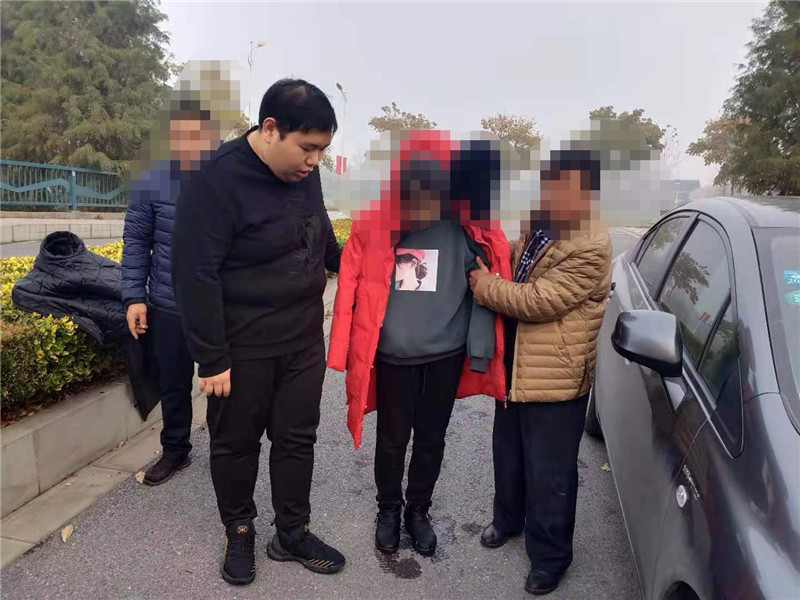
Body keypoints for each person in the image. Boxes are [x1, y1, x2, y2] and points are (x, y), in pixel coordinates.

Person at [172, 79, 345, 586]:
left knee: (297, 437)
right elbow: (195, 273)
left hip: (303, 338)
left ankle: (291, 532)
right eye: (307, 147)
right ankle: (240, 528)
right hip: (241, 344)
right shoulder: (215, 180)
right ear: (270, 129)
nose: (314, 160)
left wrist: (351, 263)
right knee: (235, 442)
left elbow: (318, 228)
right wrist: (212, 356)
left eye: (322, 149)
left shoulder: (303, 173)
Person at [328, 133, 511, 557]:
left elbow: (485, 289)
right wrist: (345, 351)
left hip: (445, 355)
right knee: (392, 437)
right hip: (395, 354)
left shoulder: (466, 228)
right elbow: (350, 290)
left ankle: (418, 511)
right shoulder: (377, 225)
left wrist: (480, 350)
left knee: (432, 437)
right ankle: (388, 510)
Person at [468, 149, 612, 595]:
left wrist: (483, 285)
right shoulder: (541, 223)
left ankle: (550, 558)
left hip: (556, 374)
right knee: (508, 450)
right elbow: (516, 262)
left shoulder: (590, 243)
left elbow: (538, 301)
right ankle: (508, 520)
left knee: (550, 471)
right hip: (517, 362)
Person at [122, 83, 226, 485]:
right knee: (173, 383)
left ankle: (225, 450)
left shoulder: (227, 177)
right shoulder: (151, 179)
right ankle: (176, 449)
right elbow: (137, 241)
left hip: (217, 305)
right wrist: (134, 297)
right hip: (167, 302)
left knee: (221, 383)